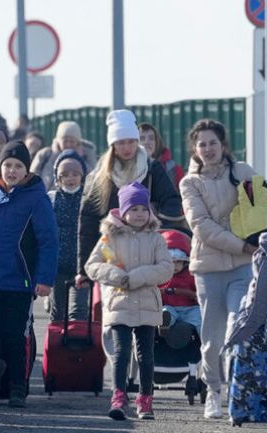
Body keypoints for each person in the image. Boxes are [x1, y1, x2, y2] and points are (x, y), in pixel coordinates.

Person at [179, 118, 267, 419]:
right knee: (211, 338)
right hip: (208, 269)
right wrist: (242, 245)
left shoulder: (242, 171)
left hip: (242, 267)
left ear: (223, 145)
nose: (208, 149)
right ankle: (213, 391)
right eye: (202, 144)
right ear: (195, 149)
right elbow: (202, 227)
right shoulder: (190, 183)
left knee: (239, 326)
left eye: (213, 143)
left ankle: (239, 392)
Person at [0, 140, 58, 408]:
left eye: (18, 166)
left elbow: (48, 241)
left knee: (15, 336)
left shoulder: (37, 198)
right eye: (7, 165)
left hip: (21, 281)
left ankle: (17, 387)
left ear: (27, 169)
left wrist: (44, 279)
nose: (12, 171)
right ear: (1, 167)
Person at [85, 182, 173, 421]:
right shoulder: (109, 238)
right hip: (119, 303)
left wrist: (137, 277)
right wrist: (117, 277)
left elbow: (166, 268)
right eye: (133, 209)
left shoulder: (156, 239)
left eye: (143, 209)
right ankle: (119, 396)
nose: (139, 214)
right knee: (121, 352)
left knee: (146, 355)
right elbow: (92, 265)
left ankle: (145, 399)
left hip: (146, 303)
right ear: (123, 211)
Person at [76, 110, 183, 292]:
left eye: (132, 142)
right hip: (113, 255)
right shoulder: (101, 177)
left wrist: (151, 221)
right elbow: (88, 221)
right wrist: (83, 270)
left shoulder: (151, 169)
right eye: (121, 143)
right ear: (113, 145)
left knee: (145, 307)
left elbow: (172, 202)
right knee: (114, 311)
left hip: (145, 253)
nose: (127, 148)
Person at [47, 149, 89, 322]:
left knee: (78, 312)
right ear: (58, 178)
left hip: (82, 267)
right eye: (65, 174)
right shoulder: (51, 198)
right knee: (58, 312)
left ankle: (77, 347)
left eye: (75, 174)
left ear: (82, 176)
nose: (70, 178)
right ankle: (56, 347)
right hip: (58, 266)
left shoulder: (88, 199)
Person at [158, 228, 201, 335]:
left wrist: (195, 296)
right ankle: (164, 324)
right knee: (165, 311)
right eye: (171, 263)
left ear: (185, 263)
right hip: (169, 306)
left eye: (178, 262)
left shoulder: (191, 275)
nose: (174, 267)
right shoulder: (159, 276)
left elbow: (198, 292)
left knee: (198, 315)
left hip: (188, 307)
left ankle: (206, 339)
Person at [31, 121, 97, 190]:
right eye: (65, 141)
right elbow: (39, 183)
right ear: (58, 141)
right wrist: (54, 156)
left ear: (78, 142)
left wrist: (80, 159)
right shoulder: (45, 155)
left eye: (72, 141)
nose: (68, 145)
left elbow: (93, 181)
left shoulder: (87, 154)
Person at [139, 123, 184, 189]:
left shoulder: (174, 170)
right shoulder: (127, 168)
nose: (146, 142)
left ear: (157, 142)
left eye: (151, 138)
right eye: (142, 138)